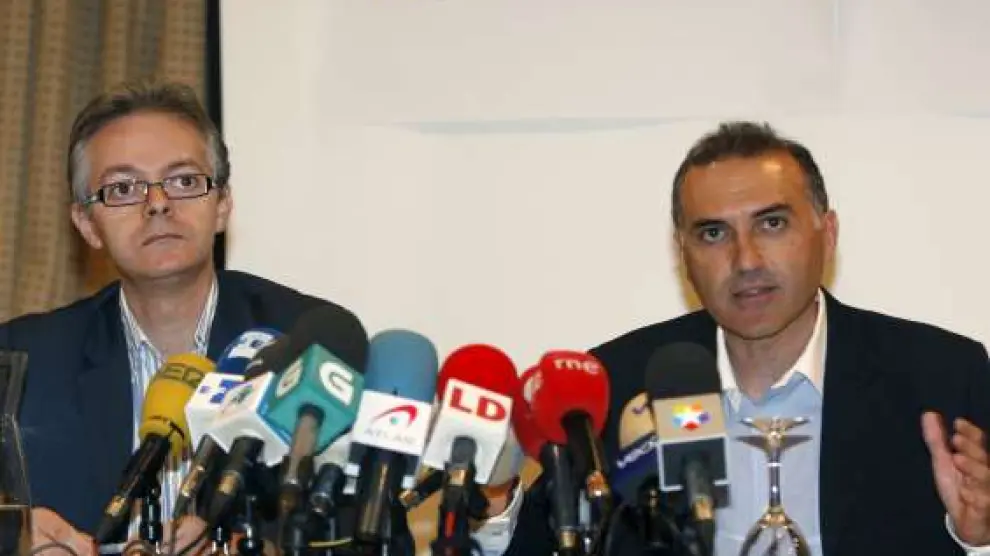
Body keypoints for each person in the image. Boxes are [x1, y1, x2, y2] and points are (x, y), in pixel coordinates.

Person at [498, 121, 990, 556]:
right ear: (684, 254)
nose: (746, 260)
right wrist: (495, 500)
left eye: (771, 224)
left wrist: (979, 540)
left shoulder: (941, 377)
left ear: (828, 233)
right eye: (713, 234)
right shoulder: (617, 386)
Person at [0, 80, 346, 555]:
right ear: (86, 224)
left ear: (222, 205)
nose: (158, 203)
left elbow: (371, 533)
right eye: (123, 188)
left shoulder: (310, 344)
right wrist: (11, 537)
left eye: (183, 181)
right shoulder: (25, 361)